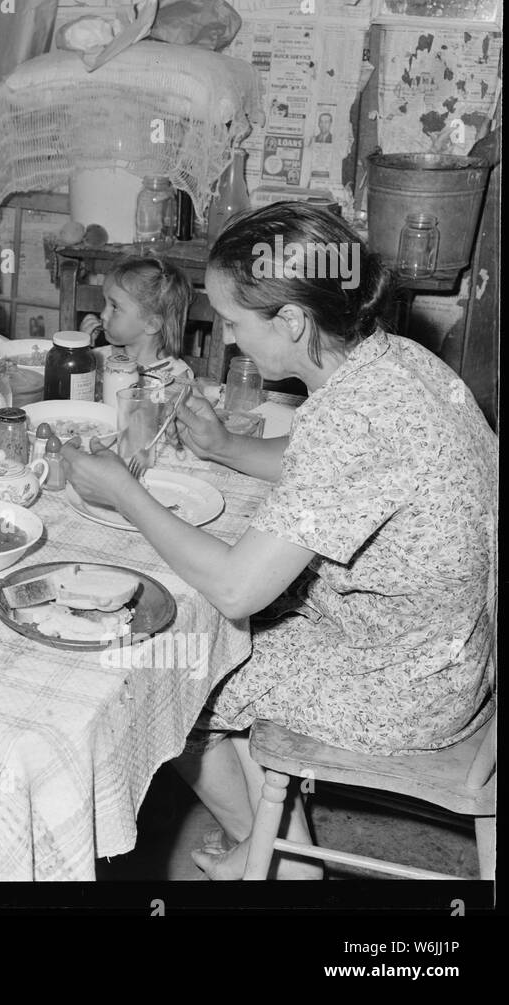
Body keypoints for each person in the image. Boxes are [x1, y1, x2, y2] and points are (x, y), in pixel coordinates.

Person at [60, 203, 496, 880]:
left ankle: (278, 859)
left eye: (234, 322)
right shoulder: (389, 361)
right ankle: (269, 842)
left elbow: (239, 583)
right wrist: (229, 446)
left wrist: (124, 490)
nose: (229, 340)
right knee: (212, 627)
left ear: (292, 321)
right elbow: (329, 465)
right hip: (447, 642)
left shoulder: (353, 416)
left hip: (408, 683)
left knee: (170, 667)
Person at [79, 256, 195, 384]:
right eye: (105, 303)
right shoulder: (98, 359)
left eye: (115, 307)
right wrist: (82, 352)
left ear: (151, 324)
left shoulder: (175, 376)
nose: (103, 315)